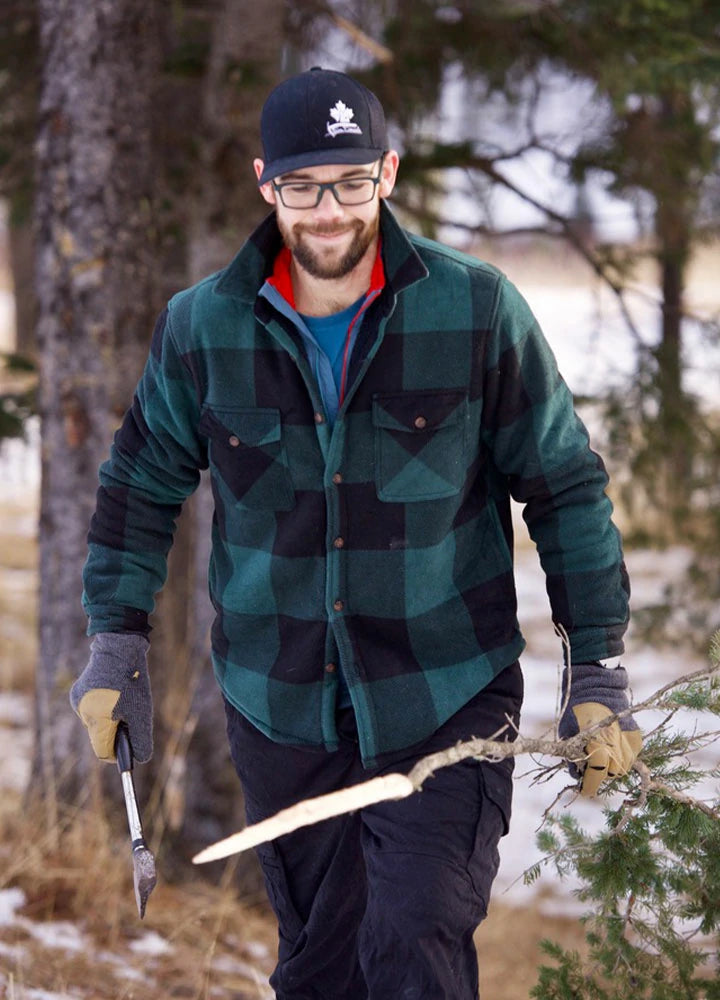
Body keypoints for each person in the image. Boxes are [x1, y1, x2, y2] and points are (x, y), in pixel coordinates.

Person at [71, 67, 642, 999]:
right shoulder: (202, 327)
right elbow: (139, 485)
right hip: (281, 700)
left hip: (445, 692)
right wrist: (117, 644)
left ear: (389, 172)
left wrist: (600, 669)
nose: (328, 209)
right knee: (321, 967)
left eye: (350, 181)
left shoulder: (476, 308)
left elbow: (565, 486)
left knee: (414, 939)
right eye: (303, 185)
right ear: (267, 183)